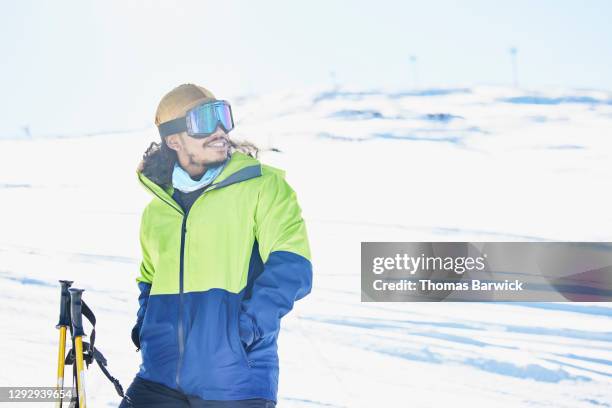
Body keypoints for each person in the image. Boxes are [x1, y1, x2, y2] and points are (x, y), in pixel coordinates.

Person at [120, 84, 313, 407]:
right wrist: (147, 325)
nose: (220, 130)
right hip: (160, 375)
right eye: (204, 121)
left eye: (223, 117)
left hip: (234, 381)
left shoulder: (263, 187)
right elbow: (149, 278)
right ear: (174, 139)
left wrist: (241, 334)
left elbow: (293, 267)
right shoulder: (158, 210)